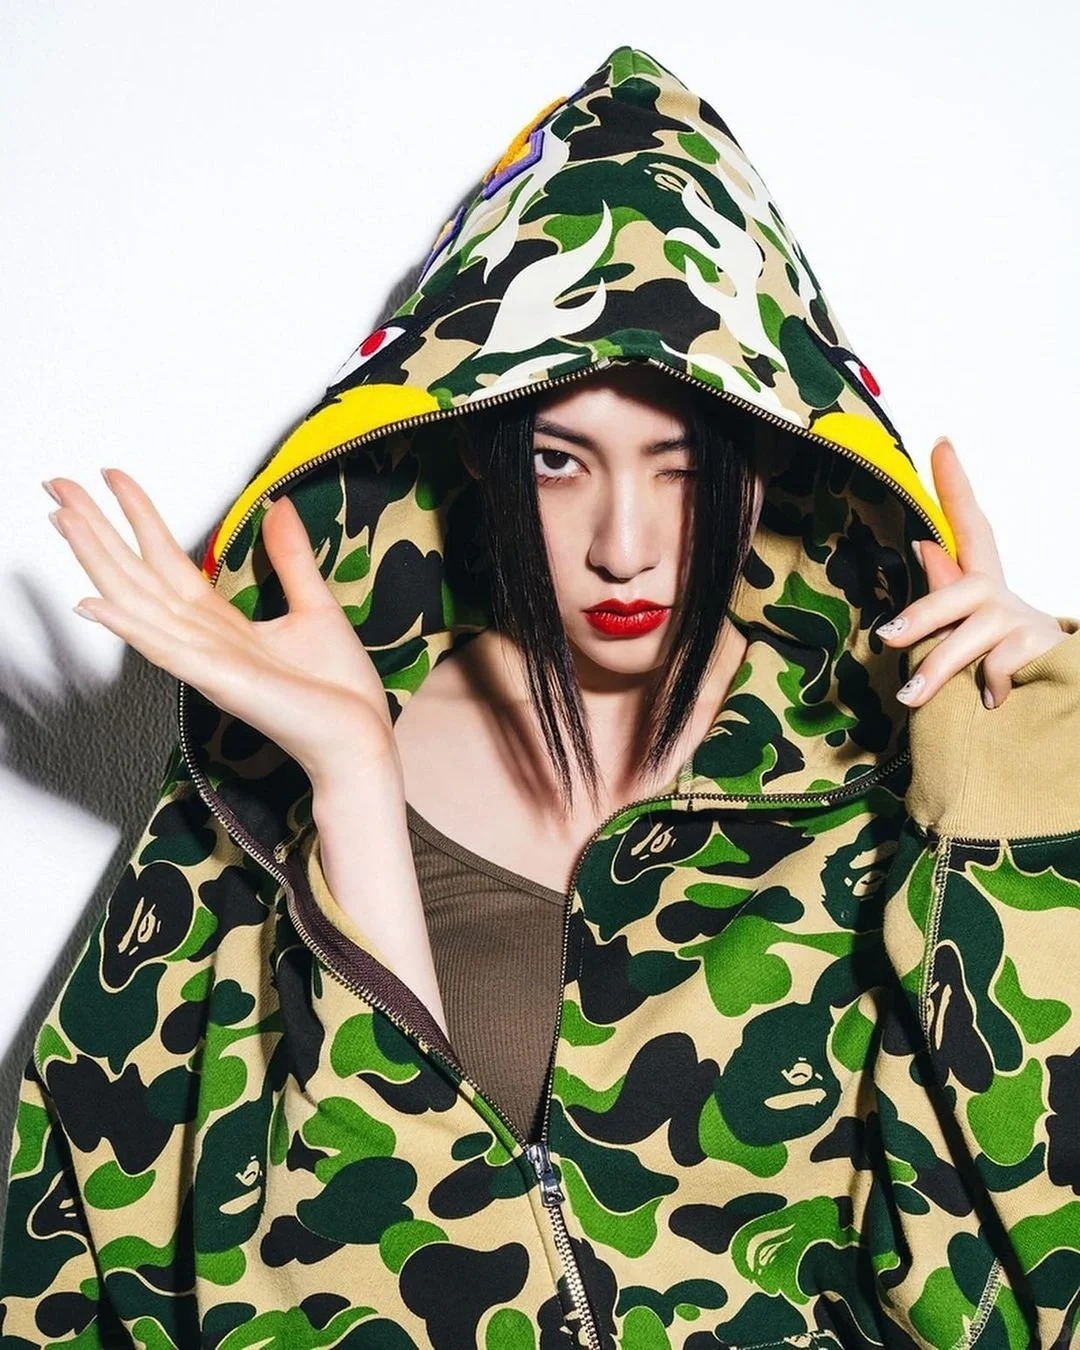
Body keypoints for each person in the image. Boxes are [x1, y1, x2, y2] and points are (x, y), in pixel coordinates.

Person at [2, 42, 1078, 1350]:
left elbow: (1020, 1273)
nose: (625, 545)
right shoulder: (263, 794)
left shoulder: (889, 772)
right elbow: (168, 1285)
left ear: (769, 466)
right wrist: (352, 780)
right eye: (562, 461)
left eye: (683, 467)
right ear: (476, 451)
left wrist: (1034, 785)